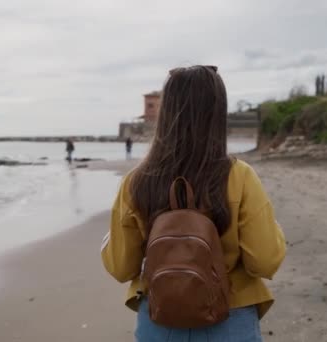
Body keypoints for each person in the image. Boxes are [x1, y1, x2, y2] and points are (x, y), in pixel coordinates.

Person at [101, 65, 286, 341]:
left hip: (159, 316)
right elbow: (265, 261)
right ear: (217, 113)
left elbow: (120, 267)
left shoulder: (136, 182)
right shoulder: (240, 176)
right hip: (230, 318)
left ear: (165, 112)